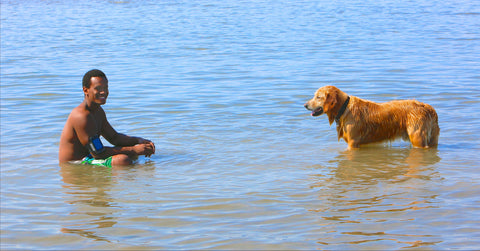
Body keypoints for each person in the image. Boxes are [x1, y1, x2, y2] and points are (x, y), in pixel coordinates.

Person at [59, 69, 155, 167]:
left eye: (105, 87)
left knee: (130, 153)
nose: (103, 92)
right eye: (98, 88)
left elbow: (114, 138)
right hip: (75, 164)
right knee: (122, 160)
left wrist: (139, 141)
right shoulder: (81, 116)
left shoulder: (98, 111)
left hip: (90, 156)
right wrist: (134, 150)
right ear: (85, 90)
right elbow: (97, 152)